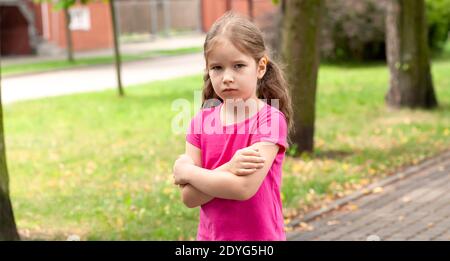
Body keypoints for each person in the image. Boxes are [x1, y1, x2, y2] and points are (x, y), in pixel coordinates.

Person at [172, 12, 293, 241]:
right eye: (217, 68)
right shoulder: (200, 122)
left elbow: (243, 189)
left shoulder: (269, 120)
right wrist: (230, 167)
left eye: (238, 66)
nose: (227, 77)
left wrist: (189, 172)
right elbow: (189, 198)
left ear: (260, 67)